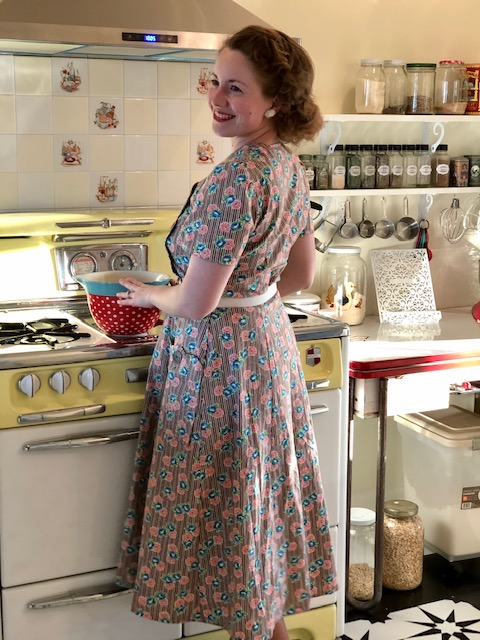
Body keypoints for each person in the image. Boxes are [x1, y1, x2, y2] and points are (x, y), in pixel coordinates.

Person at [116, 24, 337, 640]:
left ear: (275, 102)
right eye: (216, 81)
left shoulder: (237, 179)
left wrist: (145, 293)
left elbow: (194, 301)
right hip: (267, 350)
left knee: (232, 505)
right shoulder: (288, 167)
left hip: (217, 364)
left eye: (235, 87)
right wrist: (248, 293)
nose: (218, 96)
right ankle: (269, 631)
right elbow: (298, 276)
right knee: (257, 501)